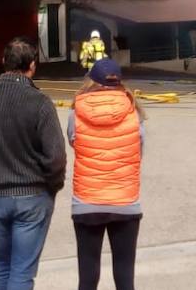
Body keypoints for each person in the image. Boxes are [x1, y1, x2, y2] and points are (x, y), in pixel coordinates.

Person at [0, 37, 67, 290]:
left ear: (3, 61)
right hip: (32, 197)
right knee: (21, 272)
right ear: (32, 65)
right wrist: (51, 186)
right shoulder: (40, 103)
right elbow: (56, 156)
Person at [67, 58, 145, 290]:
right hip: (126, 201)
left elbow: (74, 142)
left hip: (87, 201)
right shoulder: (134, 111)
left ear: (91, 81)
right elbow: (139, 150)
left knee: (87, 276)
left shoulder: (75, 113)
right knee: (125, 275)